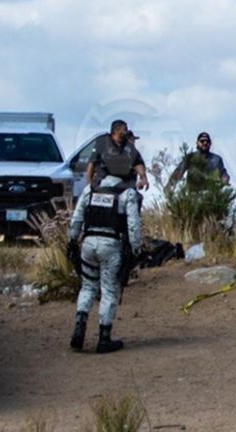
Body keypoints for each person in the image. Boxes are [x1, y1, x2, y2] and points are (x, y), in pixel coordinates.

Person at [68, 174, 143, 353]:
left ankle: (80, 327)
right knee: (109, 290)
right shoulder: (127, 194)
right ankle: (104, 338)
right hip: (111, 245)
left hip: (88, 243)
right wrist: (136, 248)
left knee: (87, 286)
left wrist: (72, 240)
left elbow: (77, 219)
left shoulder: (90, 190)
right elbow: (133, 225)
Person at [85, 120, 149, 191]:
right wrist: (89, 184)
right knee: (86, 195)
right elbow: (92, 162)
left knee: (133, 197)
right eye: (125, 129)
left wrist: (143, 178)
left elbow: (137, 162)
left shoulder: (129, 146)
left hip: (123, 185)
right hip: (103, 183)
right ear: (117, 130)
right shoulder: (103, 142)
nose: (126, 131)